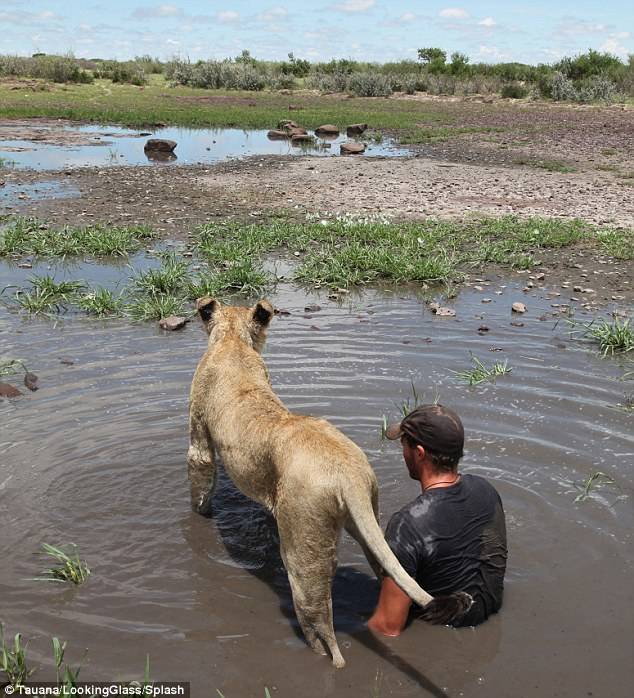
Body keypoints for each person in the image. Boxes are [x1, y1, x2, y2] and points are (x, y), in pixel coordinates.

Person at [368, 404, 507, 636]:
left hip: (442, 627)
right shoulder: (487, 490)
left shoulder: (407, 524)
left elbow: (388, 627)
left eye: (404, 446)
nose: (403, 454)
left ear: (419, 453)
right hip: (487, 610)